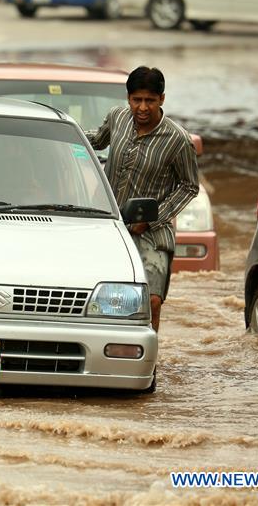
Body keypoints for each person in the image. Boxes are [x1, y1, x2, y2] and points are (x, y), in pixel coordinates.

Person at [86, 67, 199, 332]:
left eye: (150, 100)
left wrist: (151, 219)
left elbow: (190, 186)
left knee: (150, 301)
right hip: (108, 224)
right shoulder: (117, 118)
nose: (143, 107)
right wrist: (62, 136)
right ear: (128, 98)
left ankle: (148, 366)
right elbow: (95, 141)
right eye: (137, 99)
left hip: (152, 233)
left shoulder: (178, 140)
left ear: (162, 99)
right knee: (96, 297)